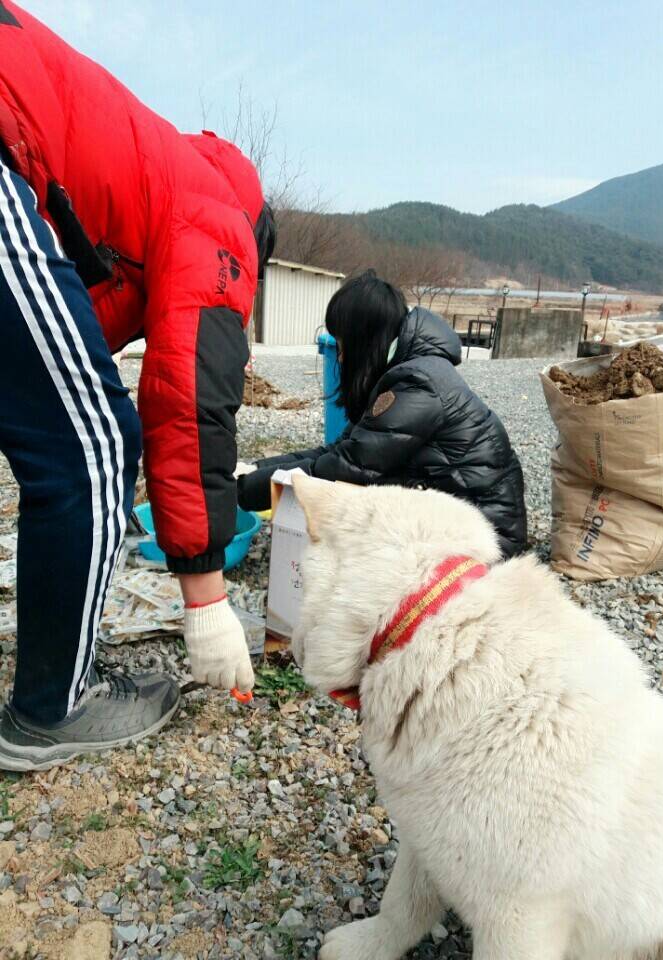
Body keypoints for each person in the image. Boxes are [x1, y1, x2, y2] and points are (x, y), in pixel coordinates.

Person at [0, 2, 275, 771]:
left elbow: (63, 334)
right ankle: (52, 709)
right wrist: (206, 598)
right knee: (93, 448)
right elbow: (185, 402)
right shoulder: (217, 214)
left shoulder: (145, 174)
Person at [237, 271, 527, 559]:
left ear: (364, 339)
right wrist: (251, 469)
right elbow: (338, 451)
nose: (339, 356)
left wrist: (242, 491)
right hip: (464, 514)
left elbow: (348, 466)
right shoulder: (407, 370)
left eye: (341, 344)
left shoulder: (417, 383)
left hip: (488, 535)